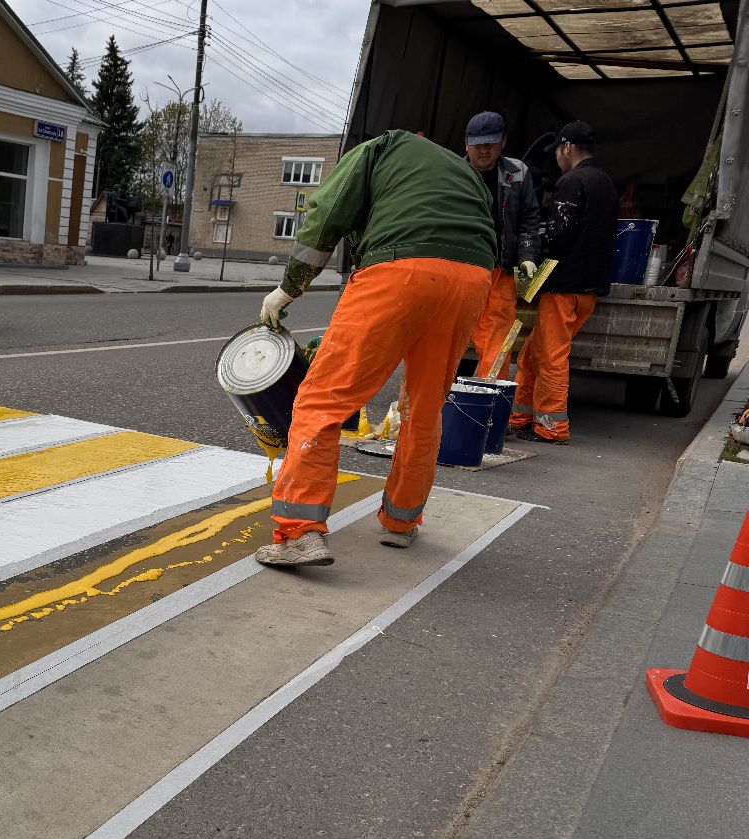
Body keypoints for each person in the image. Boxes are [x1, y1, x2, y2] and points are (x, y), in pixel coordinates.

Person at [255, 130, 496, 567]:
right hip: (473, 279)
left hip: (401, 271)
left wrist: (289, 288)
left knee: (322, 400)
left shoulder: (380, 148)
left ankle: (298, 534)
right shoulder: (463, 172)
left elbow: (327, 213)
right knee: (425, 406)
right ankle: (402, 522)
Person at [510, 121, 615, 442]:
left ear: (567, 147)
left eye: (557, 149)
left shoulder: (572, 182)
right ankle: (520, 416)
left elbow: (559, 234)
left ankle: (552, 427)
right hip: (590, 287)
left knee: (552, 356)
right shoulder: (607, 183)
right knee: (532, 351)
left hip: (564, 285)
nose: (556, 156)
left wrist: (530, 248)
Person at [463, 111, 540, 377]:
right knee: (444, 340)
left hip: (500, 272)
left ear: (502, 142)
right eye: (477, 145)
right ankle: (434, 405)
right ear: (466, 144)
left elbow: (529, 218)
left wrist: (528, 255)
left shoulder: (517, 173)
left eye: (490, 144)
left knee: (498, 344)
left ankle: (486, 403)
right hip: (462, 271)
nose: (483, 150)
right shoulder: (454, 174)